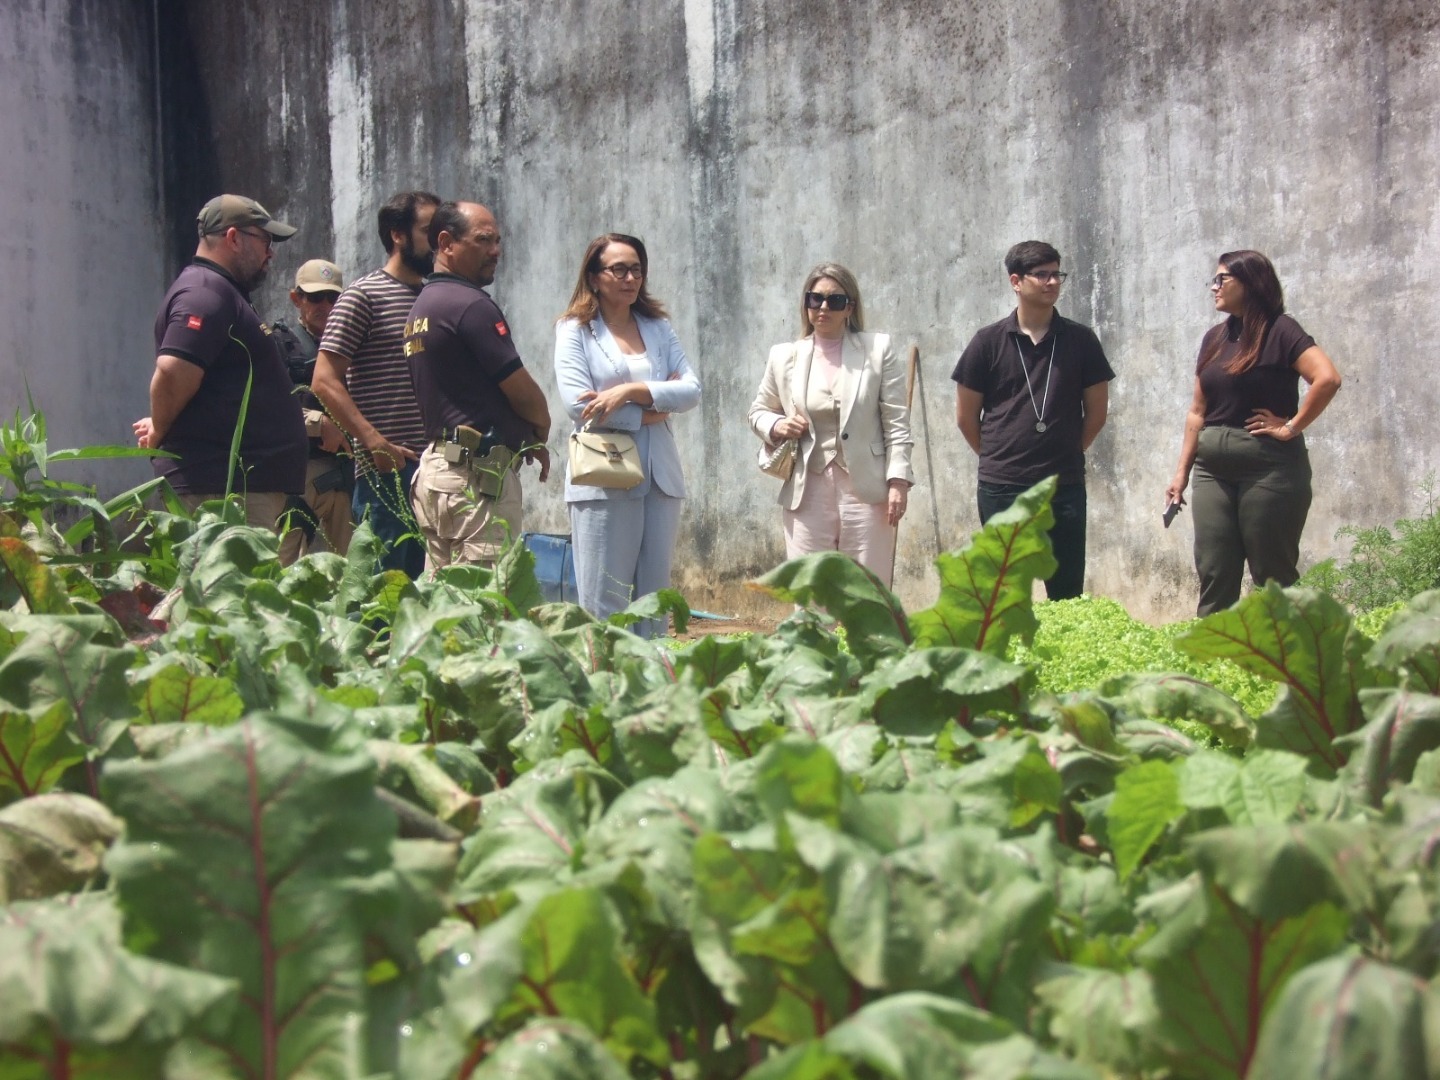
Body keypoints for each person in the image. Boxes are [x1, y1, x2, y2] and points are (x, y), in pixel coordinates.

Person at [1164, 250, 1342, 615]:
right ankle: (1215, 660)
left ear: (1250, 283)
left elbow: (1327, 378)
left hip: (1269, 470)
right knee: (1214, 570)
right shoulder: (1215, 337)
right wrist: (1180, 473)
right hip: (1212, 471)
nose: (1214, 287)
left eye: (1222, 279)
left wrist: (1291, 426)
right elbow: (1197, 411)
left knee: (1272, 577)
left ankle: (1283, 662)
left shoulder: (1281, 330)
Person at [554, 233, 701, 635]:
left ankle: (653, 688)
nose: (630, 277)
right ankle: (607, 687)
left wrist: (631, 392)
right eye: (618, 268)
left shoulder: (658, 327)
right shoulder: (575, 330)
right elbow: (579, 405)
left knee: (653, 599)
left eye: (636, 269)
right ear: (594, 276)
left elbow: (691, 390)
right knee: (606, 598)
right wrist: (651, 411)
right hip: (604, 473)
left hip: (660, 476)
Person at [952, 241, 1114, 599]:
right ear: (1016, 281)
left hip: (1063, 485)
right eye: (1042, 275)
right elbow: (966, 416)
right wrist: (998, 456)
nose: (1052, 282)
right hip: (1002, 487)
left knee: (1067, 590)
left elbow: (1097, 414)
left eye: (1057, 274)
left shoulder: (1081, 340)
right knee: (1005, 591)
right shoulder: (987, 342)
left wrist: (1069, 451)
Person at [135, 195, 307, 530]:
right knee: (229, 585)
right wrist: (158, 428)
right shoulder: (205, 294)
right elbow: (172, 372)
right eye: (265, 240)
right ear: (233, 238)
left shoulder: (221, 292)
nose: (270, 252)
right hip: (221, 491)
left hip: (235, 489)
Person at [404, 202, 552, 570]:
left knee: (445, 609)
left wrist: (520, 440)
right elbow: (520, 389)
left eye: (498, 240)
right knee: (484, 606)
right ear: (446, 242)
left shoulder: (423, 306)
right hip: (473, 481)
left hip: (440, 472)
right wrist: (540, 428)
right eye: (484, 240)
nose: (495, 250)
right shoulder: (469, 305)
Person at [749, 263, 913, 586]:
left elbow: (897, 423)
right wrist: (777, 426)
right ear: (806, 304)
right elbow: (757, 412)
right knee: (811, 593)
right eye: (815, 299)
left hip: (866, 490)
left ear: (849, 307)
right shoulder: (784, 356)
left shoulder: (877, 350)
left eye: (834, 300)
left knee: (868, 593)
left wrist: (899, 482)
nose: (823, 307)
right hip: (807, 489)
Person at [311, 190, 439, 577]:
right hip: (388, 472)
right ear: (397, 235)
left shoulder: (436, 299)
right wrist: (372, 442)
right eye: (429, 230)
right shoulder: (362, 296)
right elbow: (323, 380)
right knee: (383, 593)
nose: (439, 240)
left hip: (436, 472)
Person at [271, 258, 354, 564]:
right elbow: (265, 406)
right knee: (280, 567)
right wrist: (317, 423)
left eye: (333, 297)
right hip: (297, 475)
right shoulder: (279, 344)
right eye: (315, 297)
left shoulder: (353, 343)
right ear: (297, 299)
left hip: (345, 475)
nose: (325, 305)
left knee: (353, 571)